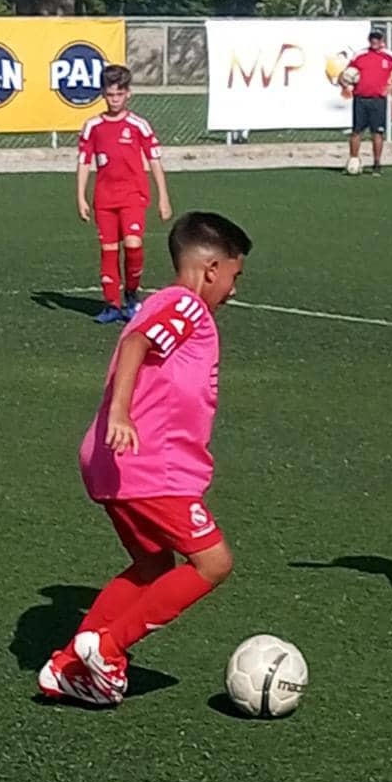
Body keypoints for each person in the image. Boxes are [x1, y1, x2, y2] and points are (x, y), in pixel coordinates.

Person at [38, 211, 252, 705]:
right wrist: (121, 413)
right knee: (213, 562)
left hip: (115, 463)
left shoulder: (164, 303)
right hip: (151, 465)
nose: (234, 290)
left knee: (154, 562)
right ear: (212, 268)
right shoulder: (186, 304)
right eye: (235, 275)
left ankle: (67, 667)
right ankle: (107, 649)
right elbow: (136, 342)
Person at [77, 64, 172, 324]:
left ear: (128, 94)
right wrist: (81, 196)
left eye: (119, 94)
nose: (115, 99)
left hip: (133, 196)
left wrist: (163, 197)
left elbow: (154, 160)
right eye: (110, 95)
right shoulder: (93, 126)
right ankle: (111, 304)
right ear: (103, 94)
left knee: (133, 245)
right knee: (108, 250)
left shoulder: (139, 125)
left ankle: (131, 294)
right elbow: (84, 162)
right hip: (104, 199)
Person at [343, 29, 392, 176]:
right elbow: (347, 73)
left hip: (378, 100)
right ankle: (354, 160)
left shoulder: (389, 55)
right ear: (369, 40)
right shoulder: (360, 55)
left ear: (381, 40)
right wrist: (346, 82)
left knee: (377, 133)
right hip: (360, 99)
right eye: (372, 38)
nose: (375, 41)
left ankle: (377, 164)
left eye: (377, 38)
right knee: (356, 132)